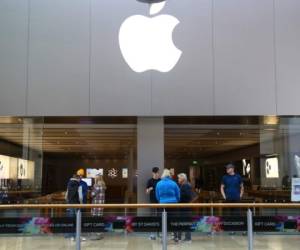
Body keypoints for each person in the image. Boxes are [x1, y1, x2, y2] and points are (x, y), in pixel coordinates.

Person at [156, 169, 180, 242]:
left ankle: (163, 238)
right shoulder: (174, 183)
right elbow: (178, 195)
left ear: (163, 175)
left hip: (162, 204)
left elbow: (157, 196)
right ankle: (175, 237)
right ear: (169, 175)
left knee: (163, 221)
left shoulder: (159, 183)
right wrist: (176, 201)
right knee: (174, 220)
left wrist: (161, 201)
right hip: (173, 204)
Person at [65, 174, 82, 240]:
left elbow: (66, 194)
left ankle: (69, 235)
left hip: (70, 203)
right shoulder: (78, 185)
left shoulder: (69, 183)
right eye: (80, 179)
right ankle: (76, 235)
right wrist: (81, 203)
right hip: (76, 203)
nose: (80, 180)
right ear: (77, 178)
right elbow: (80, 196)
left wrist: (68, 201)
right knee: (77, 219)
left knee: (70, 218)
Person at [146, 167, 161, 240]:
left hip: (160, 202)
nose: (158, 174)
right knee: (152, 217)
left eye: (158, 172)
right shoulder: (150, 181)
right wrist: (149, 189)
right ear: (153, 173)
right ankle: (152, 234)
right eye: (156, 173)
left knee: (160, 217)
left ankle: (160, 232)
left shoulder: (160, 180)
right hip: (152, 202)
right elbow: (146, 192)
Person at [177, 173, 193, 243]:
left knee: (186, 222)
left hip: (185, 207)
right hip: (184, 207)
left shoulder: (185, 185)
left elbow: (187, 196)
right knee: (185, 222)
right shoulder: (184, 185)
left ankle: (188, 238)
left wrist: (179, 198)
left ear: (183, 179)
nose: (178, 179)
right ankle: (186, 237)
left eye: (179, 178)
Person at [90, 175, 106, 240]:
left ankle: (97, 234)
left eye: (95, 178)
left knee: (95, 219)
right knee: (99, 219)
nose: (94, 179)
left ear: (96, 179)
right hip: (101, 205)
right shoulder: (103, 186)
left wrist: (91, 191)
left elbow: (92, 194)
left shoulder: (96, 186)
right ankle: (100, 233)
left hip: (96, 205)